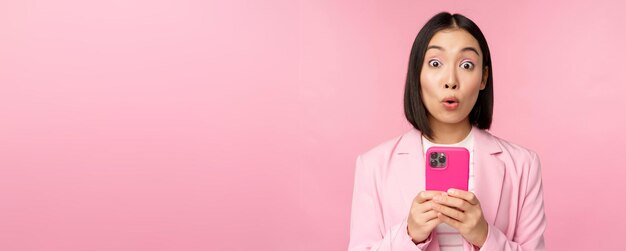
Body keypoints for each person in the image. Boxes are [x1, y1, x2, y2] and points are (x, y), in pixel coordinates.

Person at [348, 12, 546, 251]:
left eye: (466, 65)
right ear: (417, 73)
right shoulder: (373, 166)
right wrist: (409, 235)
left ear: (483, 78)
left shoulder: (523, 165)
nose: (451, 80)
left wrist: (485, 236)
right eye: (435, 63)